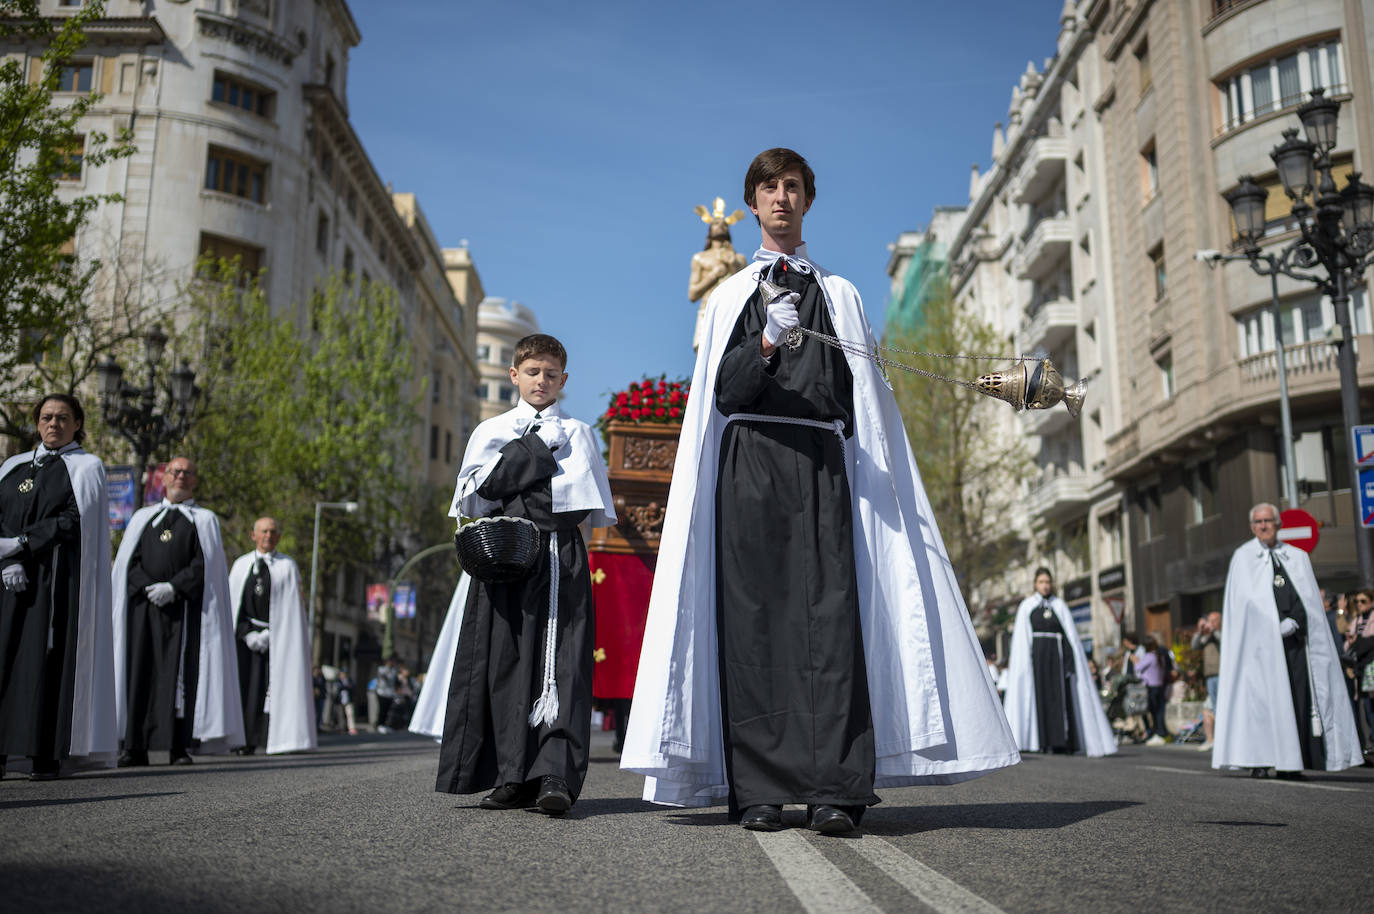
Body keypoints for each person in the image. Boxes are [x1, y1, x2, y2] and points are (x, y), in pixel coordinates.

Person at [622, 148, 1019, 836]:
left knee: (831, 622)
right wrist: (767, 344)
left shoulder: (842, 294)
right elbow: (726, 392)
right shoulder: (729, 296)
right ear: (752, 202)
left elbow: (861, 396)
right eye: (770, 188)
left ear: (807, 200)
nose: (782, 197)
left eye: (794, 187)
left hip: (824, 464)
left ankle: (837, 788)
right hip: (750, 460)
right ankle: (762, 791)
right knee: (755, 625)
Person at [436, 333, 615, 816]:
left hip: (559, 558)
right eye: (533, 372)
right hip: (507, 558)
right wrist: (533, 450)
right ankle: (510, 774)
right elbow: (477, 494)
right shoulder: (491, 430)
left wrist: (539, 459)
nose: (542, 381)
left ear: (564, 380)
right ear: (514, 375)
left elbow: (587, 506)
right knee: (507, 660)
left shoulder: (578, 432)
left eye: (551, 374)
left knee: (564, 663)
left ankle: (555, 773)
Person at [0, 394, 116, 779]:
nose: (54, 424)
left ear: (78, 423)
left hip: (54, 583)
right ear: (36, 423)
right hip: (6, 578)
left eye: (63, 418)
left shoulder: (86, 467)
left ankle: (43, 752)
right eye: (47, 417)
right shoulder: (13, 466)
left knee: (44, 661)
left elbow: (74, 518)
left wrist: (23, 544)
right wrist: (9, 558)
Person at [1214, 503, 1362, 778]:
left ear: (1277, 524)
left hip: (1294, 647)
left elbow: (1308, 602)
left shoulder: (1296, 556)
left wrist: (1296, 619)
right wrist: (1270, 623)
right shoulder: (1243, 558)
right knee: (1261, 704)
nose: (1263, 526)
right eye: (1258, 522)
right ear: (1251, 526)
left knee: (1298, 700)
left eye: (1268, 520)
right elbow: (1243, 606)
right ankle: (1260, 760)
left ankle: (1292, 763)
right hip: (1258, 650)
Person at [112, 457, 242, 765]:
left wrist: (174, 586)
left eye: (187, 472)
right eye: (175, 471)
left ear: (195, 480)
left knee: (178, 676)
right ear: (164, 477)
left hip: (184, 610)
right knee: (138, 672)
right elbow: (130, 561)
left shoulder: (204, 520)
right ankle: (135, 746)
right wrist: (146, 586)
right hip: (144, 609)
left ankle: (177, 747)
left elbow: (204, 564)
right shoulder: (144, 517)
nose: (181, 476)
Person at [1003, 568, 1116, 756]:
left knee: (1059, 699)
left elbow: (1069, 636)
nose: (1045, 586)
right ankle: (1040, 741)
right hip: (1037, 659)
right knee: (1039, 698)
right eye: (1041, 582)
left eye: (1048, 582)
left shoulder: (1059, 606)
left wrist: (1071, 661)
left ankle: (1060, 740)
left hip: (1057, 658)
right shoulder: (1027, 606)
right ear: (1035, 584)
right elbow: (1022, 641)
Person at [227, 516, 315, 755]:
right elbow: (233, 606)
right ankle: (242, 740)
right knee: (244, 688)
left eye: (273, 532)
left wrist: (270, 633)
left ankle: (272, 738)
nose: (268, 536)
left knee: (271, 689)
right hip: (245, 640)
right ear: (253, 535)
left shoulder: (287, 566)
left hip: (276, 640)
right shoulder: (240, 565)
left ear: (279, 537)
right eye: (263, 531)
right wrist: (246, 634)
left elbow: (291, 609)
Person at [688, 198, 748, 352]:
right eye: (715, 223)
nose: (720, 225)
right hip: (706, 311)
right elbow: (693, 294)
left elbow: (747, 289)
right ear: (710, 230)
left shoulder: (739, 258)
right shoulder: (700, 258)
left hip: (732, 312)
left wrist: (732, 262)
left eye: (724, 224)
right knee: (705, 360)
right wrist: (713, 275)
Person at [1191, 611, 1222, 751]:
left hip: (1221, 674)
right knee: (1213, 708)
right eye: (1209, 621)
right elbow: (1195, 645)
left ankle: (1221, 738)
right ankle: (1212, 739)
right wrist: (1200, 631)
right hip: (1209, 675)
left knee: (1220, 707)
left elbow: (1223, 640)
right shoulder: (1206, 636)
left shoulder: (1220, 633)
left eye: (1213, 621)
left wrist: (1214, 630)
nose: (1211, 624)